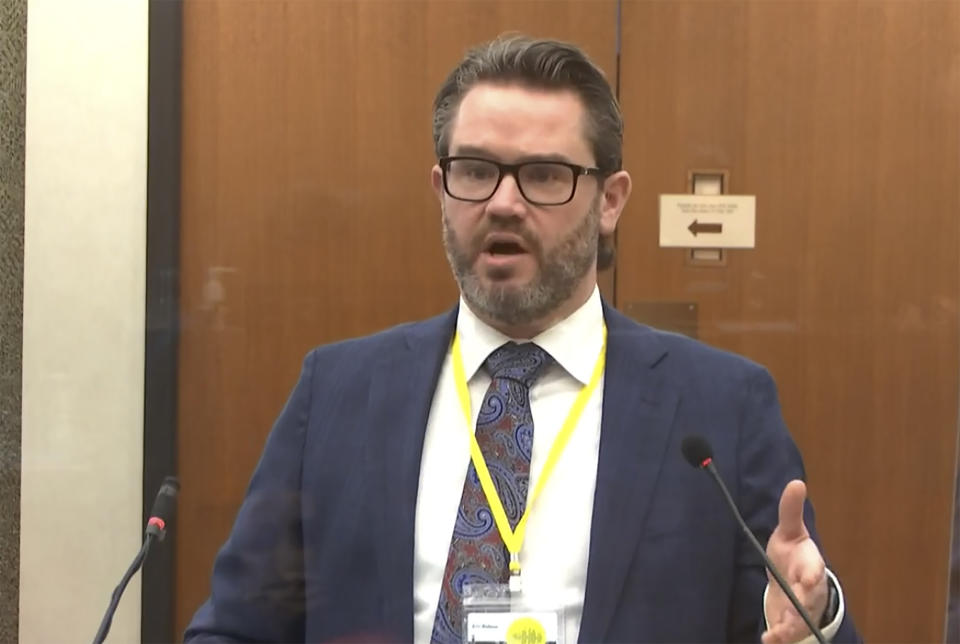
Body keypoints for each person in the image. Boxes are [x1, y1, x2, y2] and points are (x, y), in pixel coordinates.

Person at [185, 35, 860, 644]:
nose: (503, 203)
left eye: (543, 175)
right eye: (475, 170)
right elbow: (237, 628)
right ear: (441, 189)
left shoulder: (722, 407)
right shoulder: (337, 392)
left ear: (611, 200)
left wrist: (816, 620)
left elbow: (788, 620)